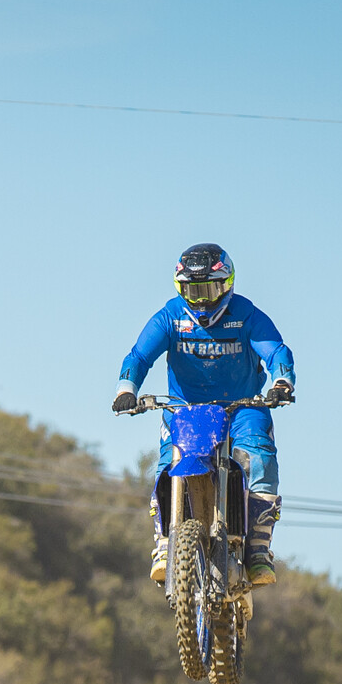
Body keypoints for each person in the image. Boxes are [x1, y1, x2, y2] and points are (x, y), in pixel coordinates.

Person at [112, 243, 295, 585]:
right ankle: (166, 543)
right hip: (185, 411)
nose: (201, 301)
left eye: (208, 289)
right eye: (191, 291)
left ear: (227, 284)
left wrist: (282, 381)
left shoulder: (248, 315)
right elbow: (138, 356)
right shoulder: (170, 317)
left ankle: (257, 547)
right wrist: (127, 389)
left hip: (243, 408)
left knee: (260, 458)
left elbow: (275, 351)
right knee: (167, 464)